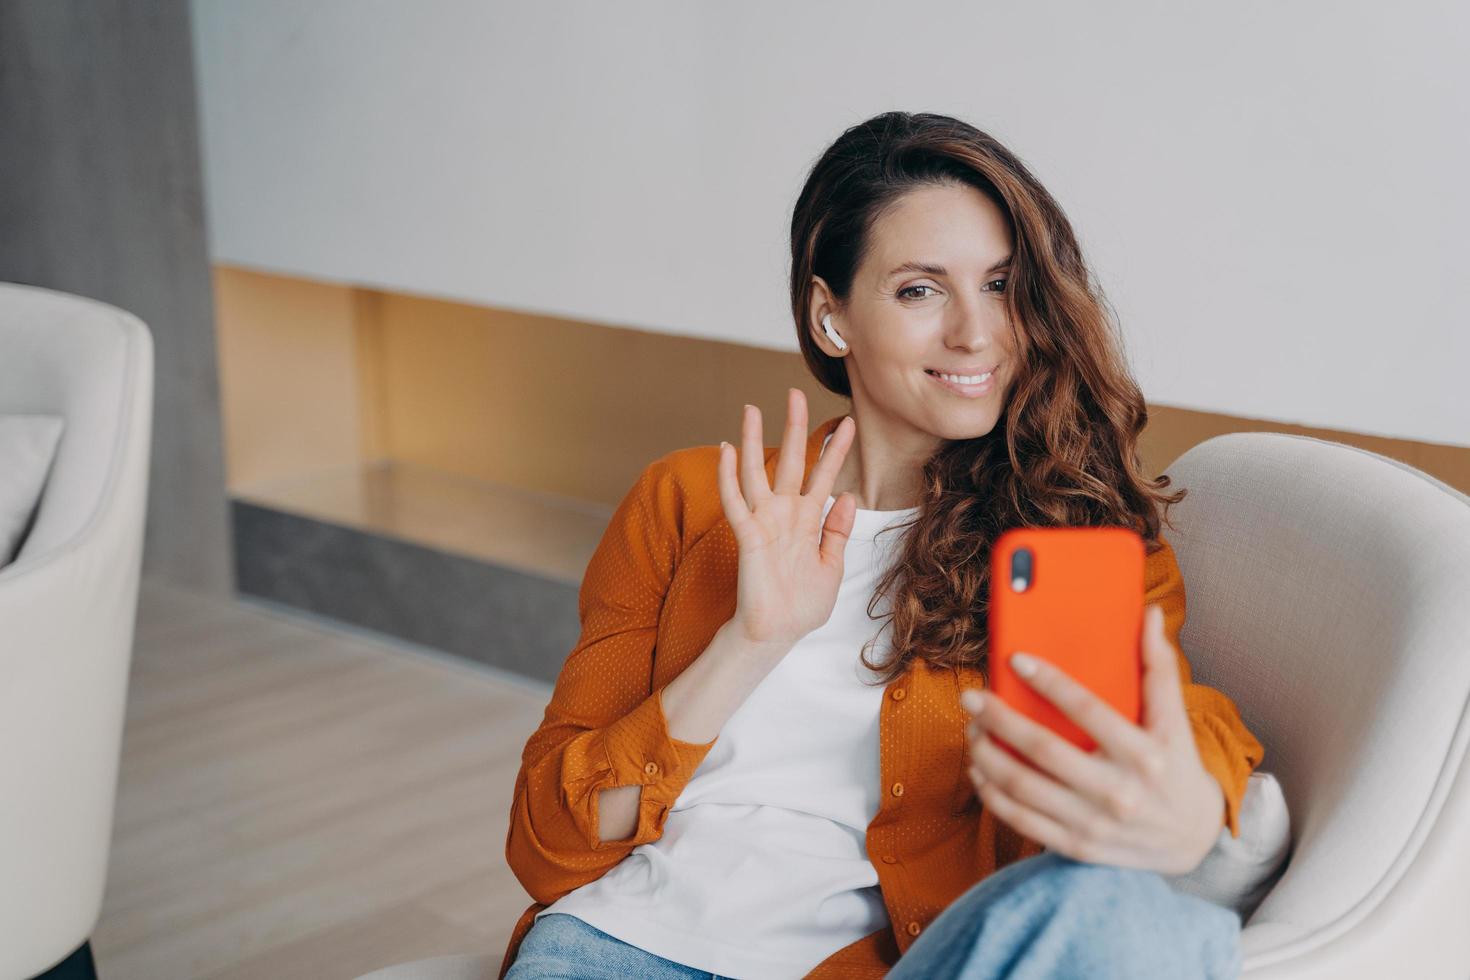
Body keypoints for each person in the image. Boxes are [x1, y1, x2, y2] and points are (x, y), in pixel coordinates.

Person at [499, 110, 1264, 979]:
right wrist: (752, 643)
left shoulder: (1070, 531)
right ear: (832, 319)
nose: (976, 334)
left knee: (1141, 922)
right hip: (624, 950)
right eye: (919, 290)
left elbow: (1165, 719)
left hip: (895, 963)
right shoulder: (685, 504)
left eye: (1002, 285)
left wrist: (1193, 806)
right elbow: (547, 845)